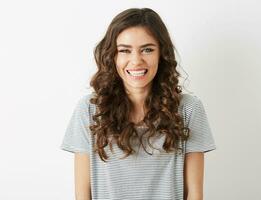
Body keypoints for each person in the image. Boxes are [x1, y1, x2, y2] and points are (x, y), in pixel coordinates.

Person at [60, 7, 216, 200]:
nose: (136, 61)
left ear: (162, 53)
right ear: (112, 56)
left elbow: (194, 193)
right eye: (124, 50)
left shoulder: (188, 109)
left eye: (147, 49)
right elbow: (83, 194)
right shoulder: (89, 109)